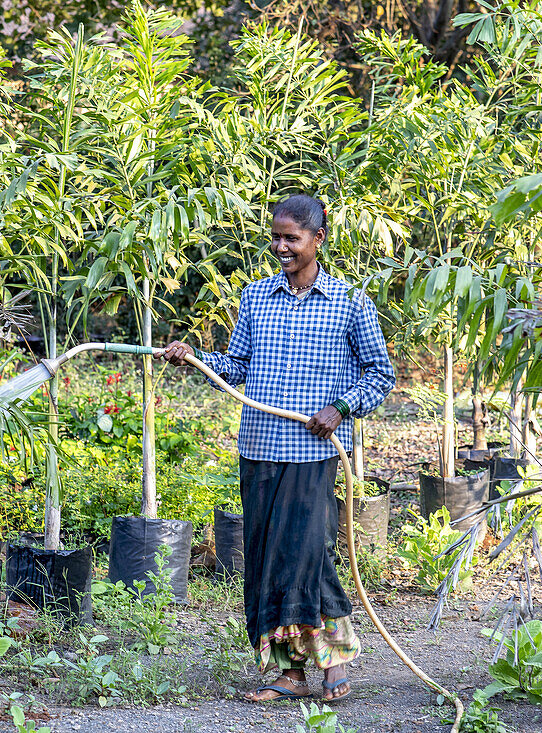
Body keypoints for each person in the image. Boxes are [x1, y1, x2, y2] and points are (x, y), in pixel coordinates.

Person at [157, 194, 395, 703]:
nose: (281, 246)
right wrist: (193, 356)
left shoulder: (350, 303)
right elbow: (238, 366)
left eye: (293, 238)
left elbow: (381, 373)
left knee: (308, 555)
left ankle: (334, 658)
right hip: (260, 447)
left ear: (318, 240)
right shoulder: (257, 297)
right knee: (267, 561)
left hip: (313, 452)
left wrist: (341, 408)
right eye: (277, 236)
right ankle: (289, 672)